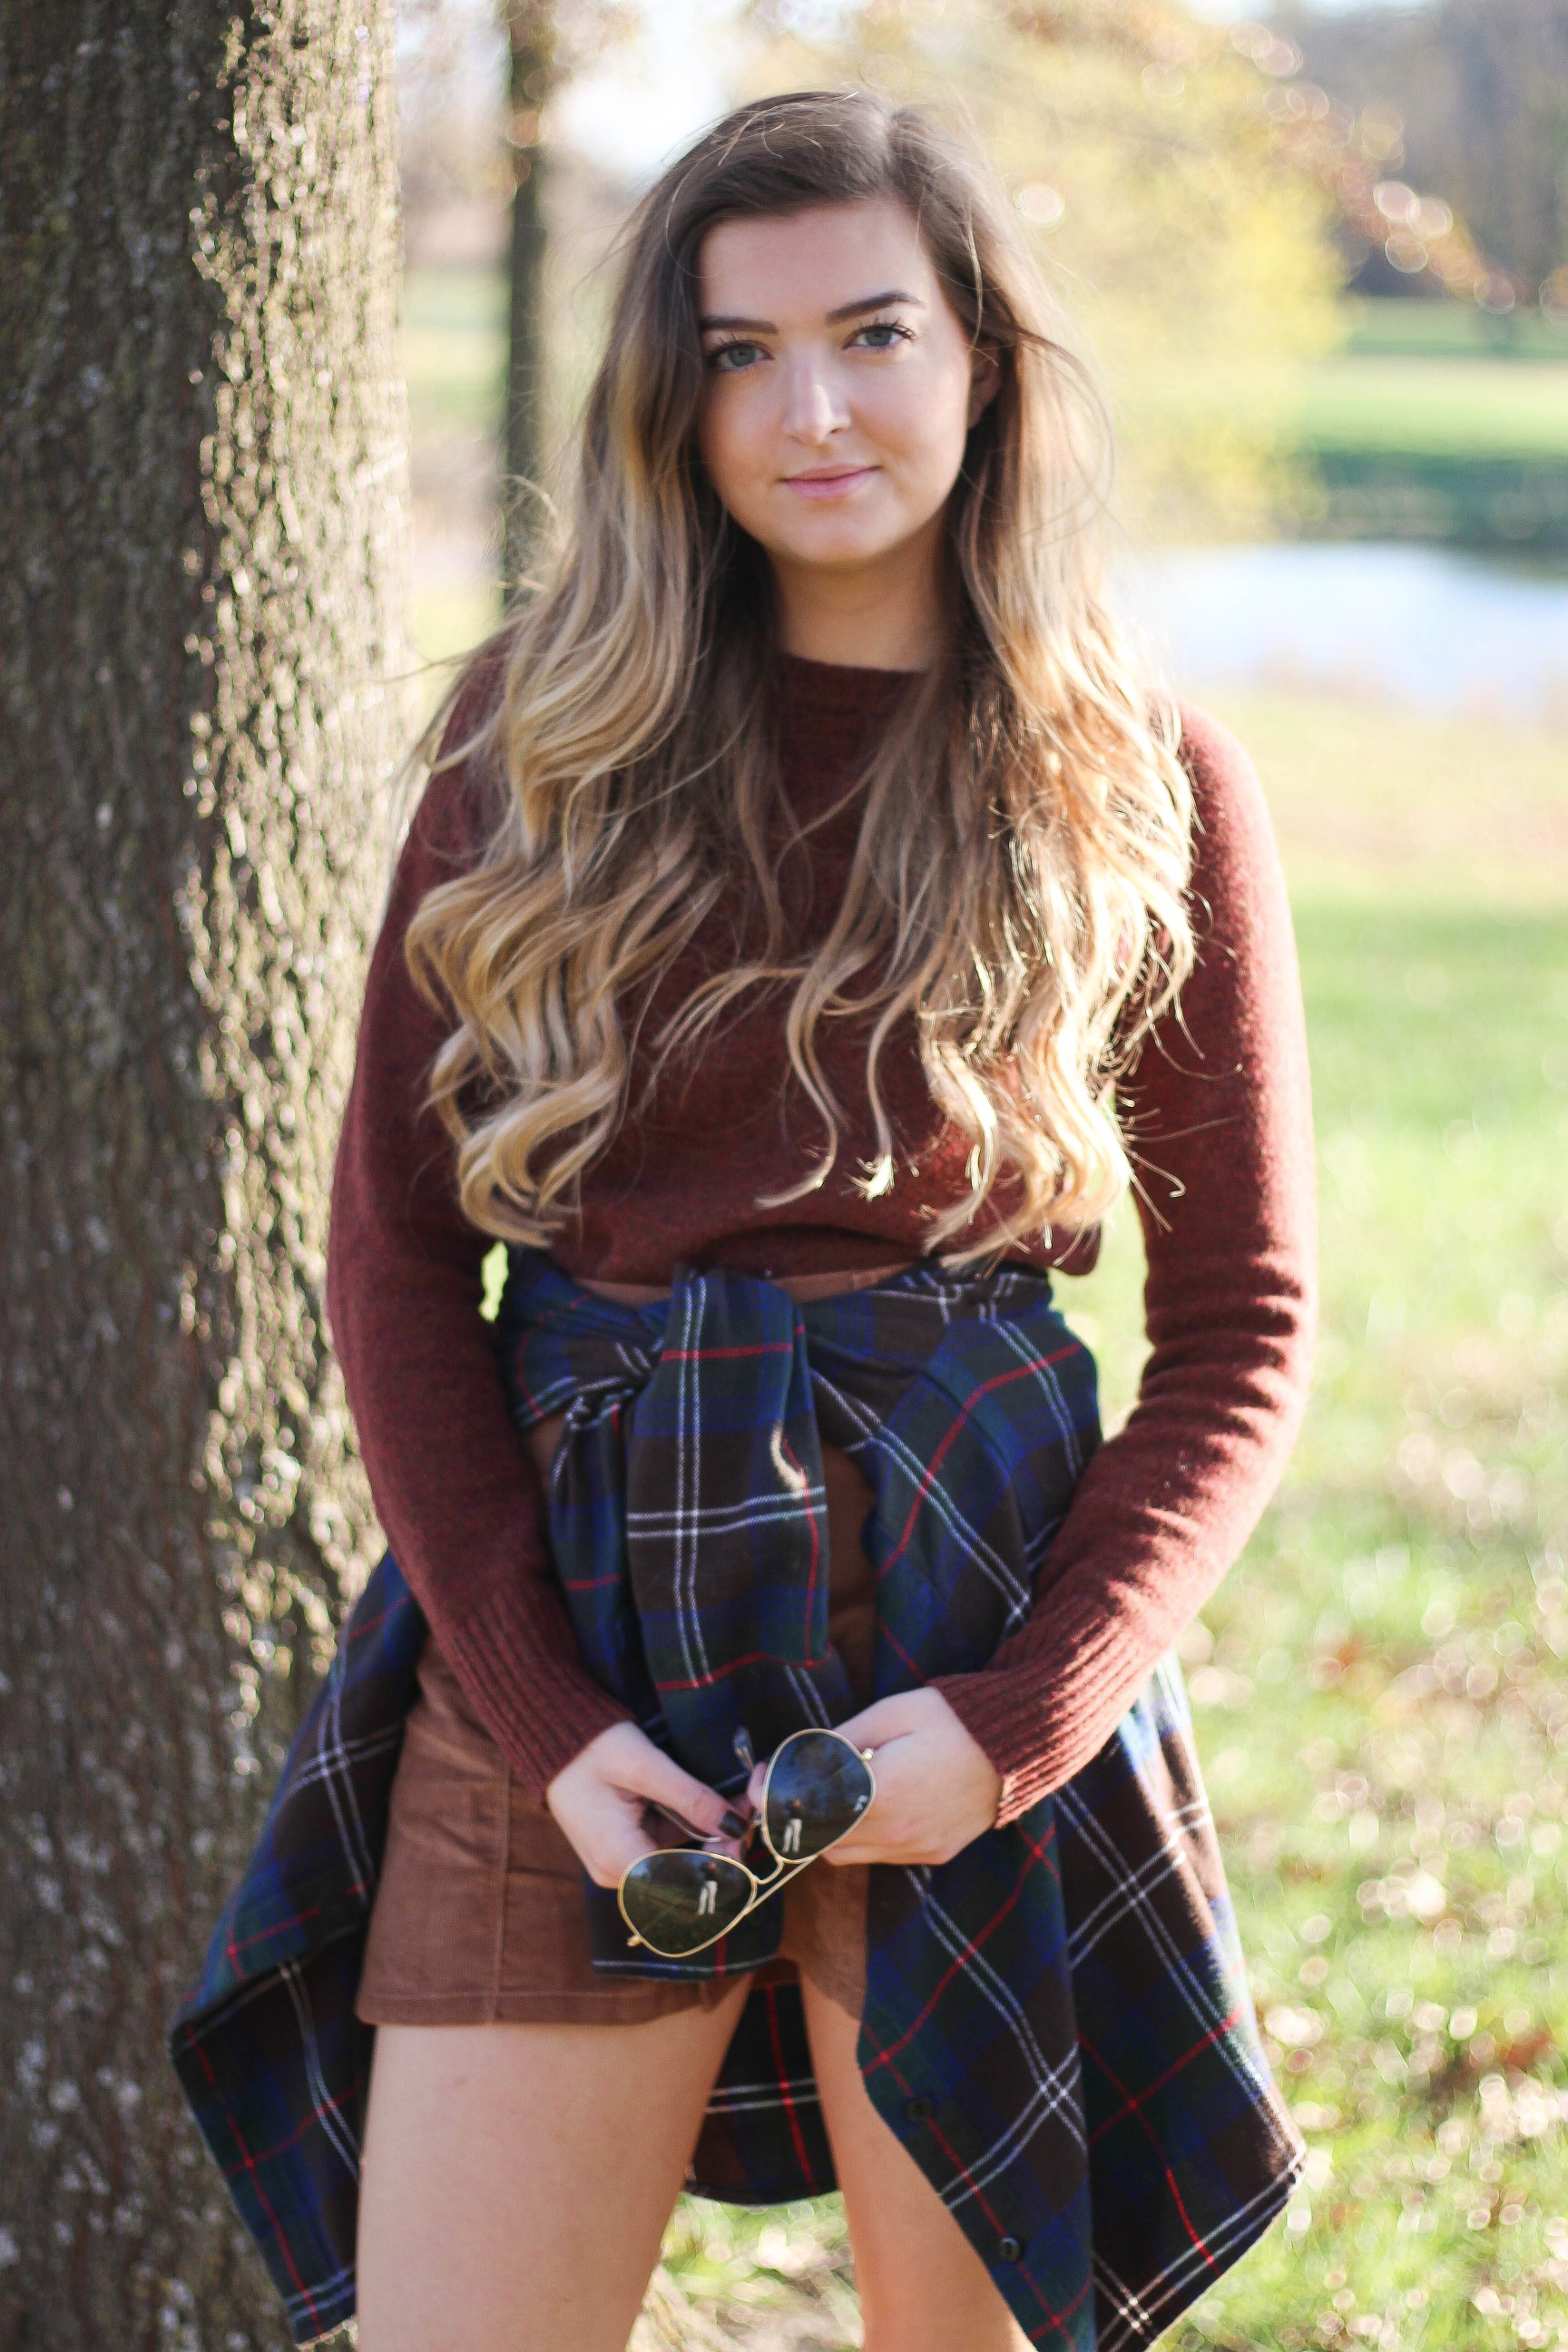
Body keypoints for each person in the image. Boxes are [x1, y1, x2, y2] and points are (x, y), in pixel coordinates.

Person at [329, 88, 1315, 2352]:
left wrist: (1026, 1714)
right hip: (574, 1626)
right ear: (670, 401)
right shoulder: (528, 748)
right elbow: (397, 1262)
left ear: (982, 352)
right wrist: (548, 1719)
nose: (815, 407)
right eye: (741, 352)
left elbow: (1246, 1324)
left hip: (972, 1625)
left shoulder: (1136, 777)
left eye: (872, 333)